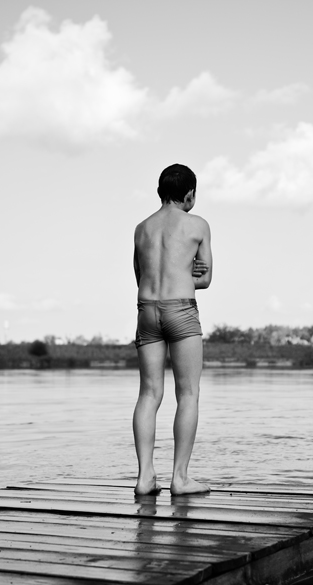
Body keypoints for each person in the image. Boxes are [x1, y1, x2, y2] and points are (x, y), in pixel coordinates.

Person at [132, 164, 213, 496]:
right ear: (190, 194)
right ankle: (179, 479)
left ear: (160, 192)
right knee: (188, 393)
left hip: (147, 310)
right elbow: (205, 279)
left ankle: (144, 478)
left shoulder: (141, 228)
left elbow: (140, 275)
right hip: (181, 309)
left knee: (149, 394)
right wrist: (185, 272)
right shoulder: (198, 225)